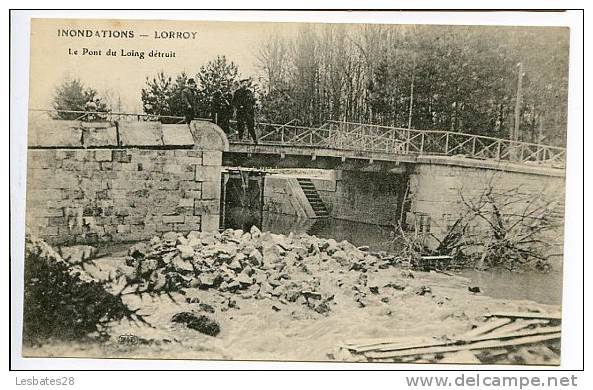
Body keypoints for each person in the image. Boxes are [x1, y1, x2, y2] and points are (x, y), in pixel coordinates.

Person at [232, 79, 257, 144]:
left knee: (251, 126)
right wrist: (239, 106)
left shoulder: (249, 92)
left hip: (249, 112)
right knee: (240, 125)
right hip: (241, 112)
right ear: (241, 84)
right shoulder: (237, 92)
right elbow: (234, 102)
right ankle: (240, 139)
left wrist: (253, 107)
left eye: (246, 83)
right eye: (243, 83)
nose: (245, 85)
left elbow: (253, 101)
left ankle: (254, 139)